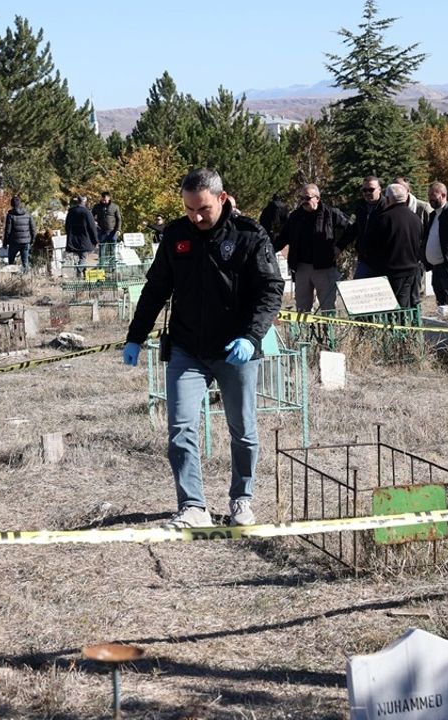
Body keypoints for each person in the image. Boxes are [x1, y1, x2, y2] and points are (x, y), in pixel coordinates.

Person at [121, 169, 285, 529]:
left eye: (203, 209)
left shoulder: (249, 235)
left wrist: (251, 336)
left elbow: (271, 289)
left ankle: (241, 499)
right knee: (180, 428)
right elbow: (155, 289)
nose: (196, 217)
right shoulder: (177, 235)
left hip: (235, 349)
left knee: (242, 430)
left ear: (222, 199)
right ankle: (193, 506)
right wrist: (135, 336)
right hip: (187, 348)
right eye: (189, 209)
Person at [275, 183, 350, 312]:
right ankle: (305, 332)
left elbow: (351, 228)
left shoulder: (331, 213)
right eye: (301, 198)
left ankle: (329, 332)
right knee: (302, 309)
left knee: (328, 308)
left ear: (317, 198)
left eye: (307, 198)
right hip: (302, 267)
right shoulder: (295, 217)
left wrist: (339, 247)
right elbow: (282, 238)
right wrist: (267, 251)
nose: (304, 202)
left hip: (324, 267)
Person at [369, 183, 425, 309]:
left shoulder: (383, 219)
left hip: (392, 272)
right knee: (409, 306)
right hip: (412, 271)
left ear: (388, 199)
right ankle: (410, 328)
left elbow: (373, 246)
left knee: (395, 310)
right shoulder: (415, 218)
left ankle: (401, 329)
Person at [340, 176, 383, 279]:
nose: (367, 193)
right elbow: (351, 229)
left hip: (383, 262)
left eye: (371, 189)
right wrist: (339, 246)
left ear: (379, 189)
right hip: (364, 260)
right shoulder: (360, 207)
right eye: (364, 190)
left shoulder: (387, 207)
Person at [64, 195, 98, 267]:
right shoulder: (86, 212)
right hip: (85, 239)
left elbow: (67, 226)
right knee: (83, 258)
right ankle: (78, 273)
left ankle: (83, 275)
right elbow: (92, 227)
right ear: (84, 202)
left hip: (73, 240)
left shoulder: (71, 212)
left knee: (80, 258)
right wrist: (95, 240)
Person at [3, 196, 36, 270]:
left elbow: (7, 231)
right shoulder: (27, 214)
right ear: (20, 204)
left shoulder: (10, 215)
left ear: (11, 204)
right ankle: (26, 279)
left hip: (14, 242)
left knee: (11, 263)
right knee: (25, 263)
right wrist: (33, 240)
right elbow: (33, 228)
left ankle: (12, 279)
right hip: (26, 242)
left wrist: (5, 242)